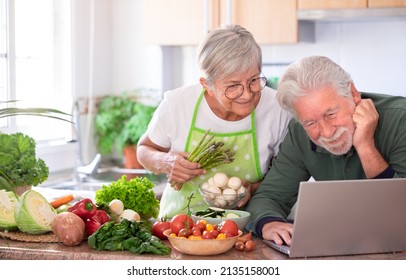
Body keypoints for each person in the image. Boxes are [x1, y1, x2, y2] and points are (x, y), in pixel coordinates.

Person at [245, 55, 406, 246]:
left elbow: (400, 211)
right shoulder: (299, 134)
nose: (327, 132)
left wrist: (365, 146)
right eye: (311, 122)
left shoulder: (400, 120)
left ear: (353, 94)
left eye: (331, 114)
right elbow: (269, 196)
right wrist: (268, 223)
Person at [137, 25, 292, 218]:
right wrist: (166, 162)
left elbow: (287, 175)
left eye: (253, 80)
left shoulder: (277, 108)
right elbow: (143, 150)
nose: (246, 94)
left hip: (247, 229)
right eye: (233, 86)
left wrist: (253, 188)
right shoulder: (177, 103)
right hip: (179, 229)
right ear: (207, 85)